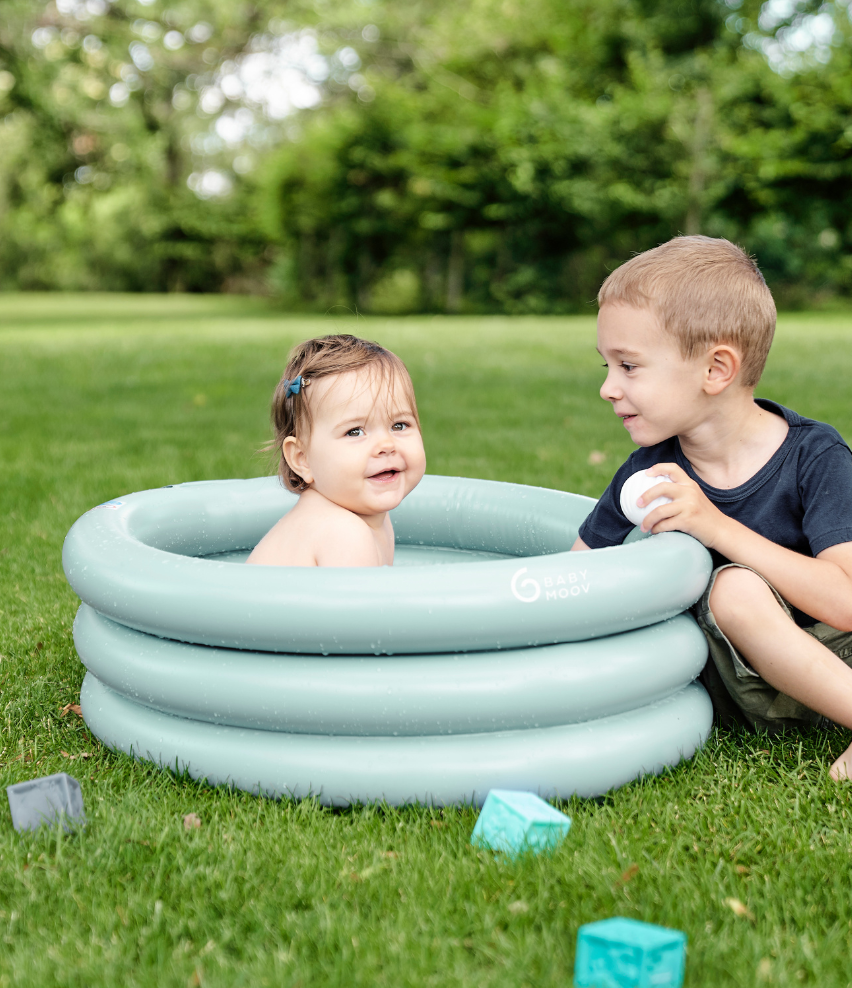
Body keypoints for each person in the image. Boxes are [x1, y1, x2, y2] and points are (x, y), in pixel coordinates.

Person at [572, 236, 852, 780]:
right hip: (739, 689)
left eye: (628, 367)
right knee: (732, 591)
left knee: (736, 585)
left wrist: (714, 525)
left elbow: (845, 602)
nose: (607, 387)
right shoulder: (648, 473)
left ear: (716, 369)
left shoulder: (815, 457)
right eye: (607, 365)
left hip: (837, 655)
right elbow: (577, 574)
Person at [247, 334, 426, 568]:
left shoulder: (369, 518)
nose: (386, 445)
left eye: (399, 425)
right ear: (302, 459)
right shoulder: (344, 533)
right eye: (354, 432)